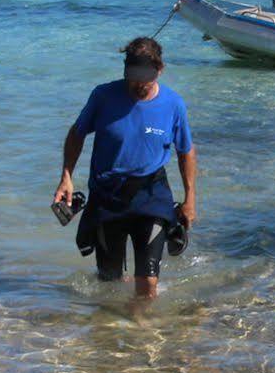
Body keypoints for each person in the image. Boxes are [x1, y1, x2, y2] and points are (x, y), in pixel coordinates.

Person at [55, 36, 197, 300]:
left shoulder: (173, 104)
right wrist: (66, 177)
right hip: (107, 196)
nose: (139, 83)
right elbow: (77, 134)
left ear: (160, 70)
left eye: (146, 76)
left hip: (151, 195)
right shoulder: (103, 96)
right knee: (109, 282)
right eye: (134, 76)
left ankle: (142, 332)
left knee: (148, 284)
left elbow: (185, 152)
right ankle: (111, 330)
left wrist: (190, 199)